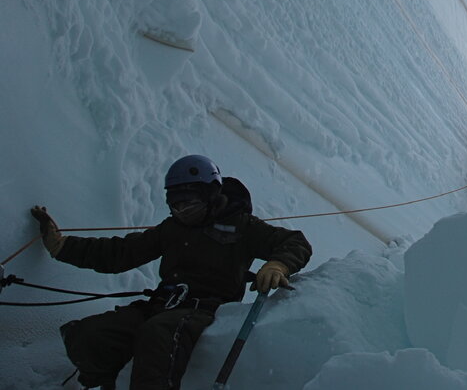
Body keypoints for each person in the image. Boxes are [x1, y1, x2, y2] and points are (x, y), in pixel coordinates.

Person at [30, 155, 312, 390]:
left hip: (207, 308)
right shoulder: (173, 228)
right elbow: (120, 253)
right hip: (162, 304)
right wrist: (62, 247)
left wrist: (278, 264)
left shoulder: (242, 226)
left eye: (189, 203)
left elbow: (295, 242)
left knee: (158, 334)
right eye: (175, 205)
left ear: (211, 195)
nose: (181, 211)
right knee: (89, 334)